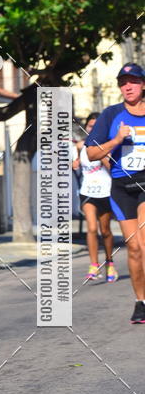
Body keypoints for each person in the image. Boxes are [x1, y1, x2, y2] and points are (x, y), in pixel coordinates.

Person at [85, 63, 145, 323]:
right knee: (133, 249)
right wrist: (116, 141)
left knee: (144, 244)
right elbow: (91, 153)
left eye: (133, 81)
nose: (127, 86)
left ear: (143, 84)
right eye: (123, 82)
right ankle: (140, 301)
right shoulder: (111, 115)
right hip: (121, 188)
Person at [72, 112, 117, 282]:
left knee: (105, 231)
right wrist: (74, 164)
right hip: (87, 192)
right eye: (90, 126)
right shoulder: (81, 146)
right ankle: (93, 265)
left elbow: (113, 169)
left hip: (105, 192)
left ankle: (110, 262)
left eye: (96, 126)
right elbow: (78, 163)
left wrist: (105, 157)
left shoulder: (108, 146)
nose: (93, 128)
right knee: (92, 228)